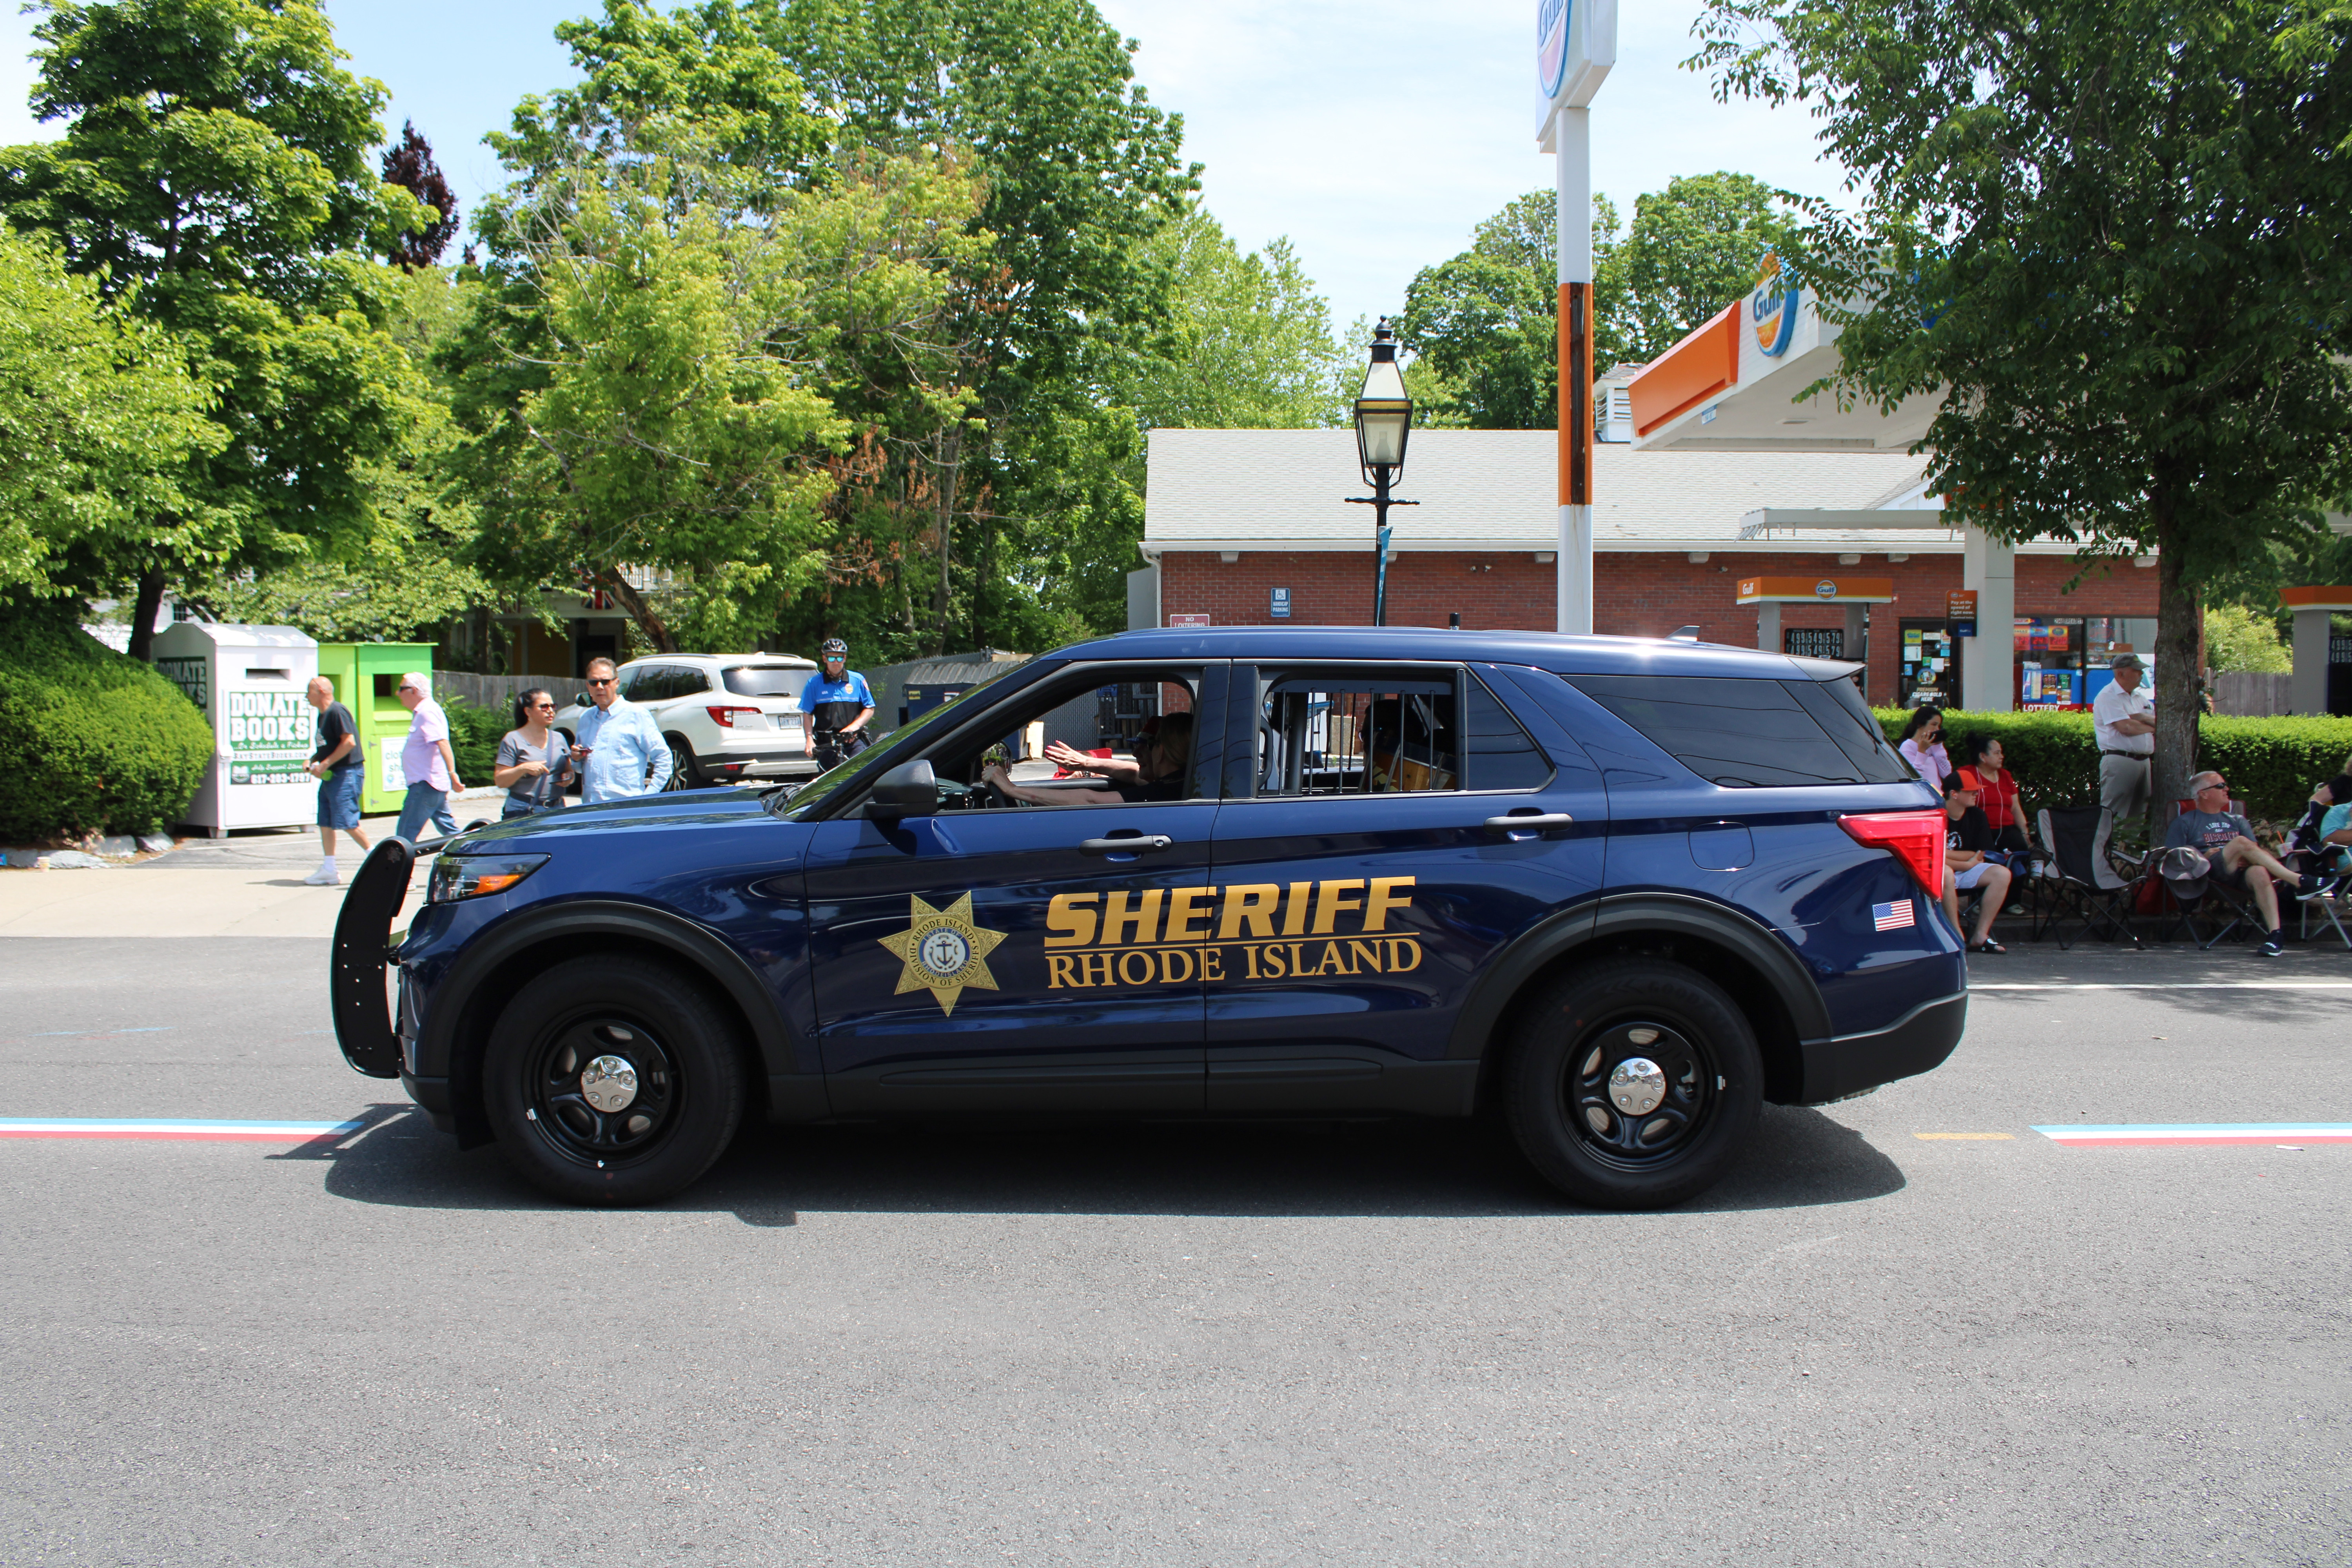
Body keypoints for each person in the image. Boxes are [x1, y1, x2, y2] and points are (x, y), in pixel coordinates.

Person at [2165, 769, 2303, 956]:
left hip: (2240, 876)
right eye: (2220, 786)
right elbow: (2174, 859)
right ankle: (2298, 880)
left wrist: (2239, 855)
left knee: (2260, 872)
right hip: (2208, 876)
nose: (2227, 789)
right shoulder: (2184, 822)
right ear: (2204, 794)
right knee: (2239, 842)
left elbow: (2253, 851)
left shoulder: (2238, 820)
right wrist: (2203, 855)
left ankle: (2275, 935)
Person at [984, 712, 1193, 806]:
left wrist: (1012, 790)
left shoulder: (1165, 791)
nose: (1136, 753)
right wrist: (1084, 763)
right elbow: (1132, 773)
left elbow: (1090, 800)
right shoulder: (1183, 783)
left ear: (1161, 751)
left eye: (1149, 745)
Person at [570, 657, 673, 802]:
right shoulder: (585, 719)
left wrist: (648, 795)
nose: (600, 687)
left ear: (617, 683)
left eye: (606, 682)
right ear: (588, 686)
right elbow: (580, 768)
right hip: (591, 808)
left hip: (626, 809)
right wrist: (576, 758)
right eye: (594, 682)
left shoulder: (636, 715)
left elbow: (664, 758)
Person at [300, 675, 371, 885]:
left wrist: (325, 764)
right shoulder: (322, 716)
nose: (307, 696)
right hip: (334, 775)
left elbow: (348, 742)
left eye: (309, 691)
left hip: (347, 774)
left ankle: (384, 861)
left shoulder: (337, 712)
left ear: (321, 691)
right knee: (326, 821)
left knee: (348, 822)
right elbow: (327, 747)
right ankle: (329, 868)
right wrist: (313, 760)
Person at [2092, 652, 2155, 862]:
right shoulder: (2108, 696)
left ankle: (2128, 863)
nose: (2140, 674)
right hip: (2120, 760)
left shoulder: (2140, 698)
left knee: (2137, 818)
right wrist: (2151, 725)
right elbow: (2125, 727)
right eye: (2136, 670)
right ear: (2121, 673)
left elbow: (2155, 723)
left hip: (2144, 762)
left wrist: (2144, 719)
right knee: (2113, 816)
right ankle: (2103, 862)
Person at [1940, 771, 2013, 955]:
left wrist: (1948, 854)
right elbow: (1933, 856)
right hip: (1940, 872)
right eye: (1971, 791)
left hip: (1962, 870)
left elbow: (1980, 853)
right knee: (1946, 872)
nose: (1976, 794)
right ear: (1954, 794)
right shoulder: (1937, 815)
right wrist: (1967, 863)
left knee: (2002, 874)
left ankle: (1980, 935)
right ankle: (1956, 935)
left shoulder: (1977, 815)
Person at [393, 673, 464, 843]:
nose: (397, 693)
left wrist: (453, 773)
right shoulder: (425, 711)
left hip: (426, 784)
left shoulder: (427, 712)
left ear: (413, 691)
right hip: (430, 784)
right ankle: (474, 852)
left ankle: (397, 869)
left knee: (404, 837)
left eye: (401, 689)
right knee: (451, 833)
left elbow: (443, 743)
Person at [495, 688, 575, 820]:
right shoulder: (513, 739)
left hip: (556, 809)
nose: (550, 710)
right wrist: (523, 769)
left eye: (553, 706)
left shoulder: (559, 738)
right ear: (528, 711)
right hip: (523, 810)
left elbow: (569, 771)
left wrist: (568, 778)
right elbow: (500, 781)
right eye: (544, 707)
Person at [800, 638, 876, 770]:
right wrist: (809, 739)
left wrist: (854, 727)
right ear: (824, 659)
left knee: (862, 773)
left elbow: (869, 708)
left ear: (845, 658)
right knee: (831, 783)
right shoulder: (814, 684)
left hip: (853, 740)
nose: (836, 663)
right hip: (827, 743)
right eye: (831, 659)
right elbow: (807, 714)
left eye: (839, 658)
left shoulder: (857, 680)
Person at [1956, 734, 2031, 857]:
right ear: (1983, 757)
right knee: (1990, 857)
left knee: (2022, 851)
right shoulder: (1966, 774)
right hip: (1978, 831)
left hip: (2006, 830)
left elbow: (2016, 808)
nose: (2002, 757)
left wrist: (2025, 833)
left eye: (2001, 753)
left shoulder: (2005, 775)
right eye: (1997, 753)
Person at [1897, 705, 1951, 791]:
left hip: (1937, 797)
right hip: (1922, 797)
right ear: (1920, 724)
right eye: (1934, 725)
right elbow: (1914, 777)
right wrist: (1921, 751)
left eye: (1939, 726)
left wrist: (1938, 747)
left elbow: (1947, 774)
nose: (1937, 729)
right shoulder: (1907, 747)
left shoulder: (1933, 746)